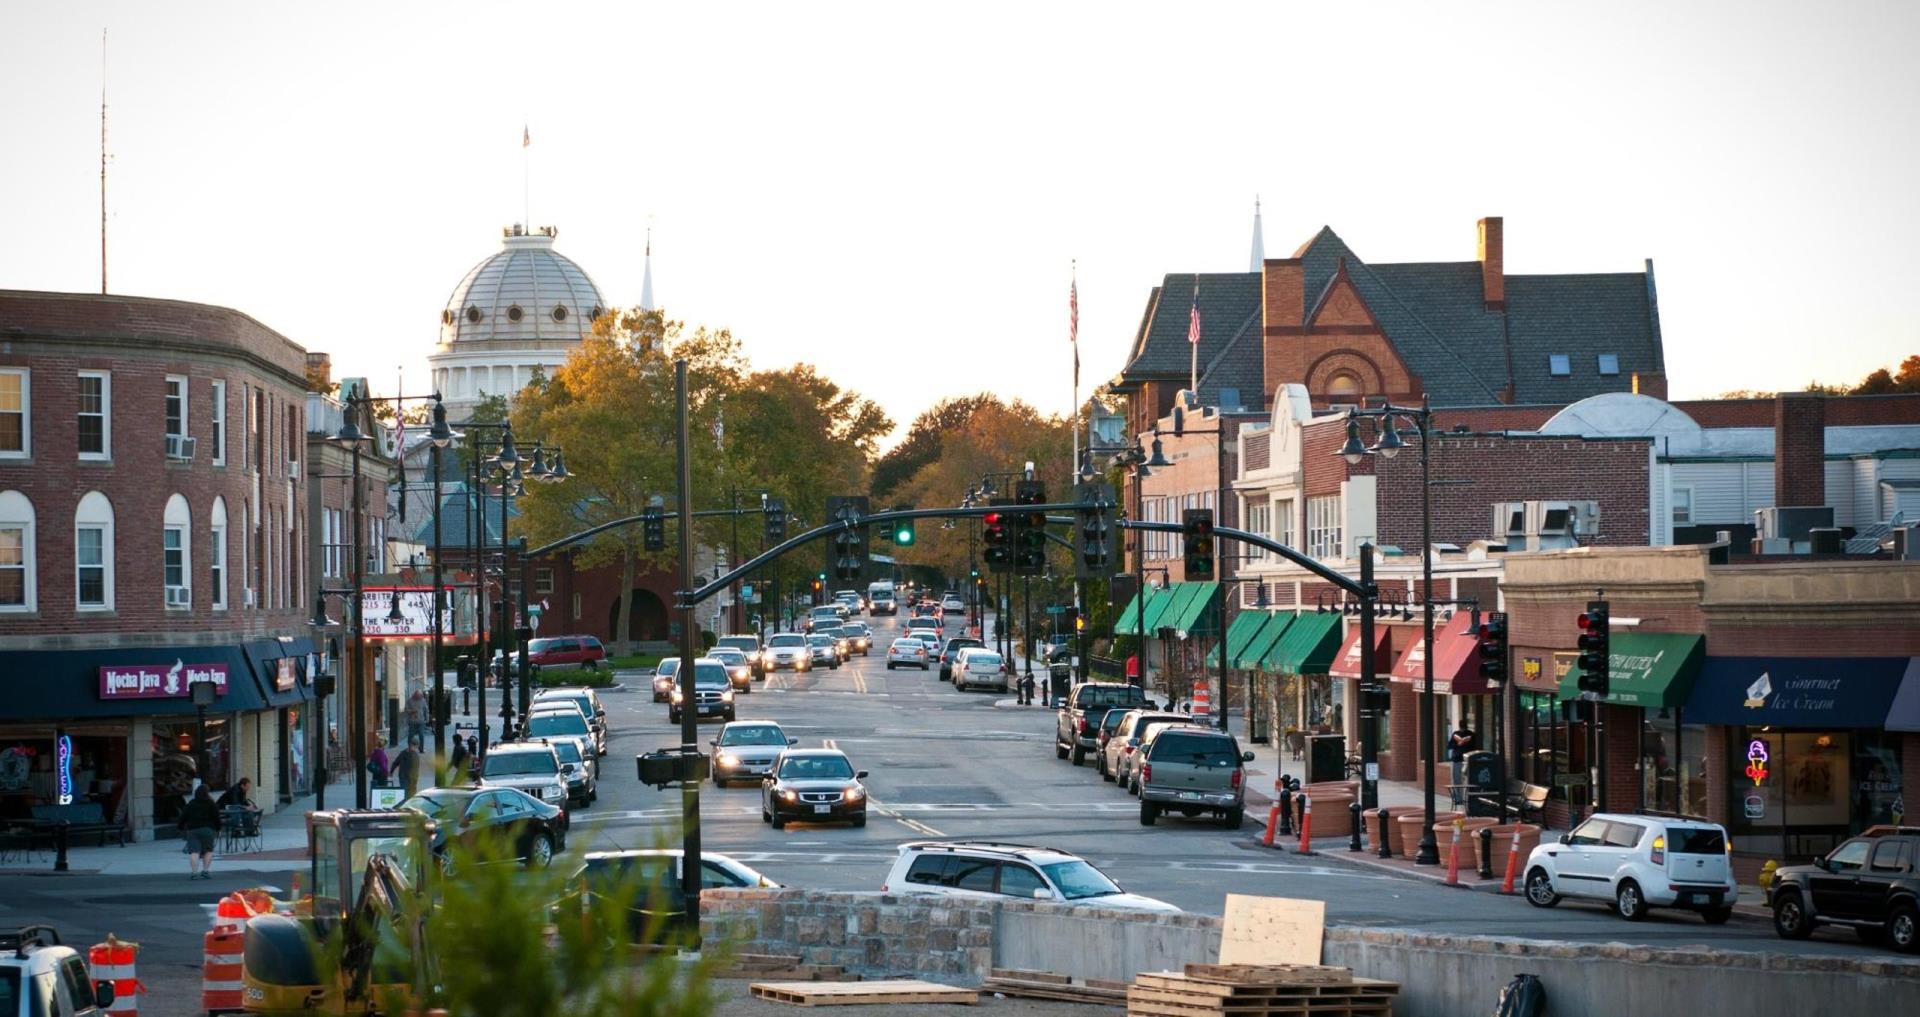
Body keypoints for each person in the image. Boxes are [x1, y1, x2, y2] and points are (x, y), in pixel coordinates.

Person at [178, 784, 221, 880]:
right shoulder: (211, 804)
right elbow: (216, 818)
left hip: (193, 829)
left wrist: (180, 826)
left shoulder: (191, 804)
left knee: (194, 851)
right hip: (208, 829)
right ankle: (205, 870)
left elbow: (184, 816)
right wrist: (218, 828)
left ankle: (194, 872)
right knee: (208, 850)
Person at [1448, 722, 1480, 805]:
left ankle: (1458, 799)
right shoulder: (1472, 735)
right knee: (1467, 780)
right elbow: (1475, 747)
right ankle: (1467, 798)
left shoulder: (1455, 734)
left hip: (1456, 759)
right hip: (1468, 760)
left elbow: (1449, 746)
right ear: (1466, 726)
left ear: (1459, 726)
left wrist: (1458, 744)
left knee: (1456, 780)